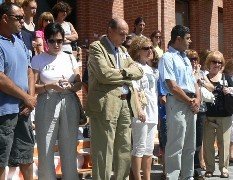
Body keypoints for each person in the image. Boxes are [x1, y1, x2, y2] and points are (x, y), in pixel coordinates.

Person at [87, 18, 143, 180]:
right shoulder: (97, 47)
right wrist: (127, 75)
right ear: (110, 31)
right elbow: (104, 75)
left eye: (126, 34)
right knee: (103, 148)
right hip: (105, 104)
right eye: (121, 33)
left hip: (125, 102)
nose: (125, 37)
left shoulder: (124, 51)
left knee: (124, 147)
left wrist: (121, 73)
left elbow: (139, 71)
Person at [31, 22, 82, 180]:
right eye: (52, 40)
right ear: (46, 41)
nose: (56, 44)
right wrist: (49, 86)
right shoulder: (38, 60)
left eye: (59, 40)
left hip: (69, 100)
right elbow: (32, 87)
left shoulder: (70, 58)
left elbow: (79, 82)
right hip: (47, 101)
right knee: (45, 147)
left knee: (69, 148)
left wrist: (72, 86)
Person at [158, 25, 201, 180]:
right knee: (176, 144)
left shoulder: (186, 58)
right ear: (178, 39)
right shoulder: (167, 58)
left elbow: (194, 82)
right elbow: (172, 86)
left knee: (190, 144)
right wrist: (190, 100)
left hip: (191, 104)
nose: (190, 41)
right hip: (177, 102)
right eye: (187, 38)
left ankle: (188, 176)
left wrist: (197, 98)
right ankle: (173, 176)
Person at [0, 2, 37, 180]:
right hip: (4, 112)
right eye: (19, 18)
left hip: (23, 110)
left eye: (23, 18)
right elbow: (0, 78)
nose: (23, 22)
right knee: (1, 159)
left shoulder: (19, 40)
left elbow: (29, 71)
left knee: (26, 156)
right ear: (5, 18)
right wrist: (26, 98)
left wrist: (29, 99)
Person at [128, 36, 159, 180]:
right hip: (141, 112)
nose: (150, 50)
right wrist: (139, 110)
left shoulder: (152, 69)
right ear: (137, 51)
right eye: (146, 48)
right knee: (139, 147)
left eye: (151, 47)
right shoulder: (134, 67)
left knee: (149, 149)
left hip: (153, 111)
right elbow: (134, 90)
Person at [203, 51, 233, 178]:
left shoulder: (227, 78)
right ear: (209, 63)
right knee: (208, 143)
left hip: (225, 115)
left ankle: (224, 168)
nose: (216, 64)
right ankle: (209, 168)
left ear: (222, 65)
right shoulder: (203, 78)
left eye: (219, 62)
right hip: (208, 115)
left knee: (224, 143)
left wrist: (229, 91)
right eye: (214, 61)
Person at [186, 49, 214, 178]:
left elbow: (211, 87)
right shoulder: (184, 72)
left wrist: (200, 78)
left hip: (201, 110)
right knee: (187, 141)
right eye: (191, 58)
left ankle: (196, 170)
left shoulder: (201, 73)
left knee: (197, 141)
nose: (194, 61)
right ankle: (185, 169)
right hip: (187, 109)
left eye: (195, 58)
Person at [224, 60, 233, 164]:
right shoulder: (226, 77)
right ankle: (229, 154)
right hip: (229, 106)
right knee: (230, 130)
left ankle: (231, 154)